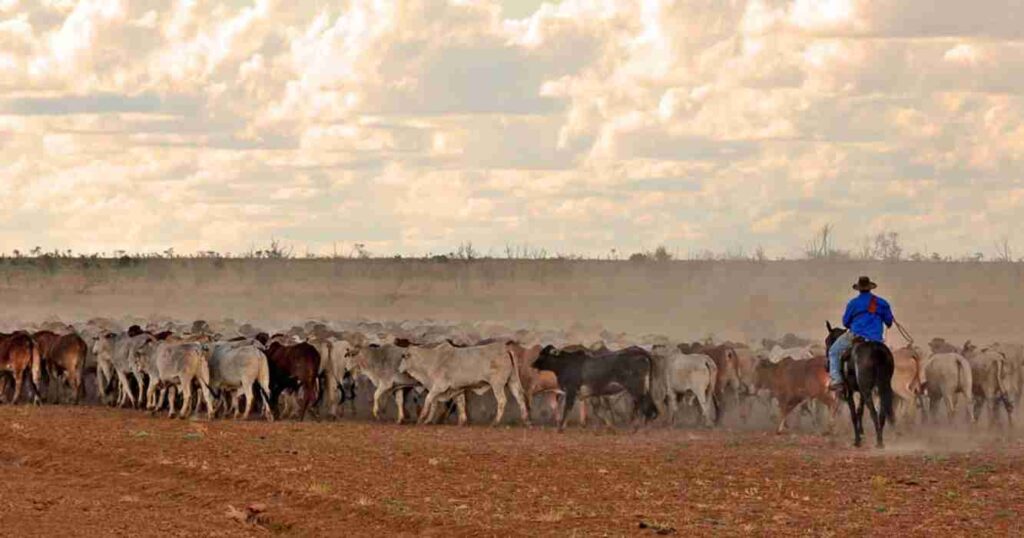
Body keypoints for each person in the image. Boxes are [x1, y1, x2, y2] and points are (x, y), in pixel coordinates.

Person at [828, 276, 894, 390]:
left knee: (833, 351)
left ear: (859, 289)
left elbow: (845, 322)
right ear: (870, 288)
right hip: (877, 339)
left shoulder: (853, 303)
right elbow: (889, 321)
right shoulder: (882, 303)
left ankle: (837, 380)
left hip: (857, 335)